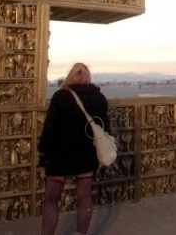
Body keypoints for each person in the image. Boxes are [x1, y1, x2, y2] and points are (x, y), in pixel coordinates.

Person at [38, 62, 110, 235]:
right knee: (84, 199)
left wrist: (44, 152)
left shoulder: (60, 96)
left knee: (51, 201)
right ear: (88, 77)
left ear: (70, 75)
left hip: (59, 156)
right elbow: (105, 128)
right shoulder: (99, 98)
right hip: (86, 155)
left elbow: (49, 128)